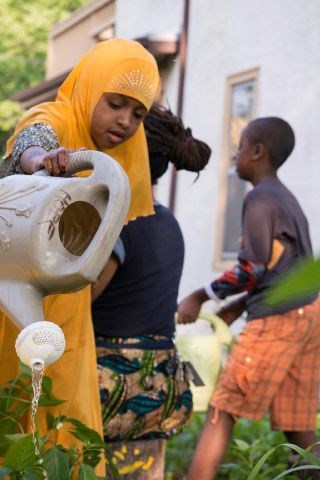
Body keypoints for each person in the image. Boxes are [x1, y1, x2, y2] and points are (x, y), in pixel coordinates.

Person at [0, 37, 160, 469]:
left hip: (70, 316)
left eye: (138, 113)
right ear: (91, 87)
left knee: (65, 434)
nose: (125, 121)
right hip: (12, 305)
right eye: (115, 103)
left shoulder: (118, 163)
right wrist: (41, 159)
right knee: (13, 419)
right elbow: (29, 142)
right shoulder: (54, 119)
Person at [177, 117, 320, 480]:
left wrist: (199, 296)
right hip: (308, 316)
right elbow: (284, 265)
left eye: (240, 148)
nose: (235, 156)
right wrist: (239, 305)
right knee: (298, 422)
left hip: (276, 320)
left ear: (258, 152)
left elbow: (252, 268)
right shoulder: (288, 200)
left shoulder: (258, 198)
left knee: (223, 407)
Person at [91, 104, 211, 478]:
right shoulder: (168, 222)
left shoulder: (120, 221)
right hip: (156, 391)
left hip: (109, 388)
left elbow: (81, 298)